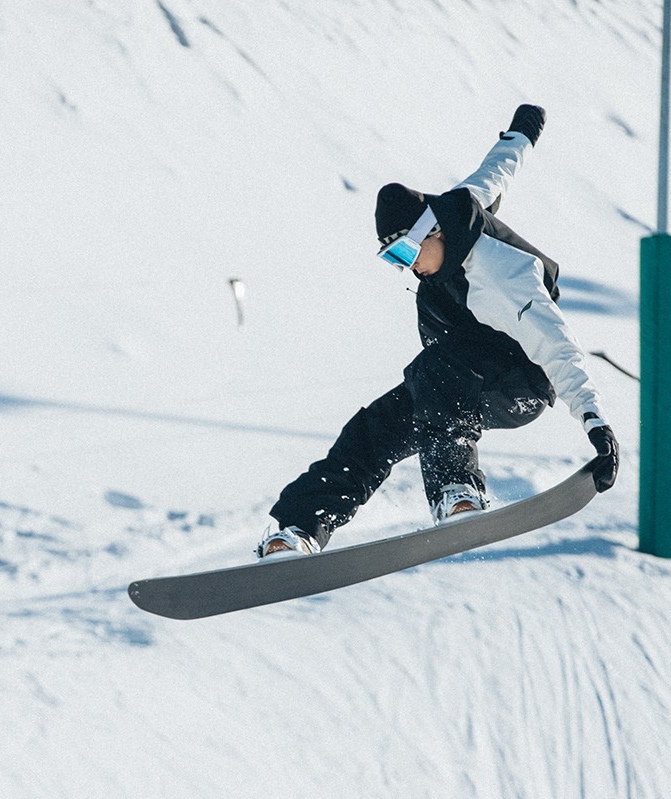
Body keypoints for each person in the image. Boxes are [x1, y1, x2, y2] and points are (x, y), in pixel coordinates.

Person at [258, 104, 619, 558]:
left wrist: (595, 423)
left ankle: (457, 490)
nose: (408, 266)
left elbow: (558, 348)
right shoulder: (456, 211)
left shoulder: (505, 274)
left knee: (438, 366)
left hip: (520, 381)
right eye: (393, 258)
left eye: (406, 252)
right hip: (450, 387)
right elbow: (497, 169)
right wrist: (522, 132)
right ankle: (300, 529)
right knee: (372, 429)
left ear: (433, 232)